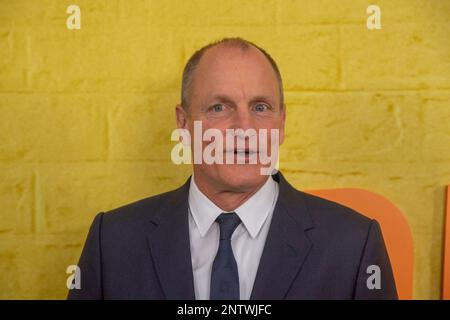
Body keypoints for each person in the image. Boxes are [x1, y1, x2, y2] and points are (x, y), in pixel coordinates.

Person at [68, 37, 397, 300]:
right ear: (184, 124)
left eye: (260, 107)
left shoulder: (353, 245)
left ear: (281, 124)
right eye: (219, 107)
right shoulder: (112, 242)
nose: (244, 127)